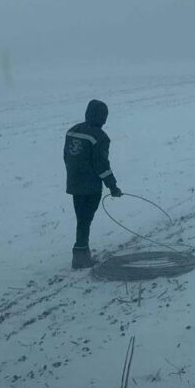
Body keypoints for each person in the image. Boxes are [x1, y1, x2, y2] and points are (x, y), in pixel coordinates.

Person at [64, 99, 122, 269]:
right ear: (102, 117)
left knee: (81, 218)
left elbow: (66, 156)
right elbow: (101, 165)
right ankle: (80, 256)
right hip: (90, 186)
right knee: (85, 219)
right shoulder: (100, 137)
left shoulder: (72, 130)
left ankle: (81, 253)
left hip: (74, 182)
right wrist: (112, 186)